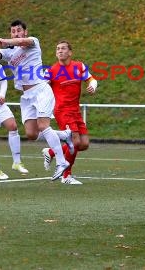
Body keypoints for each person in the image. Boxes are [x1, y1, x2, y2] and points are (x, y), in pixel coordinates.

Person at [0, 20, 74, 181]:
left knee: (43, 125)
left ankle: (62, 162)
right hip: (26, 97)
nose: (16, 33)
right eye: (13, 31)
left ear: (25, 32)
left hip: (40, 90)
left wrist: (7, 41)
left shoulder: (33, 42)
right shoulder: (8, 53)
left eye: (18, 30)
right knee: (31, 133)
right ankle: (64, 135)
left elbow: (21, 41)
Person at [44, 40, 98, 185]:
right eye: (57, 49)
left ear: (70, 52)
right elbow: (41, 88)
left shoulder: (79, 66)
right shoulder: (51, 71)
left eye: (63, 48)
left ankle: (50, 152)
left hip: (76, 110)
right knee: (75, 142)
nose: (60, 51)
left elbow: (92, 79)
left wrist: (93, 86)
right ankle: (66, 176)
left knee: (84, 144)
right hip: (62, 111)